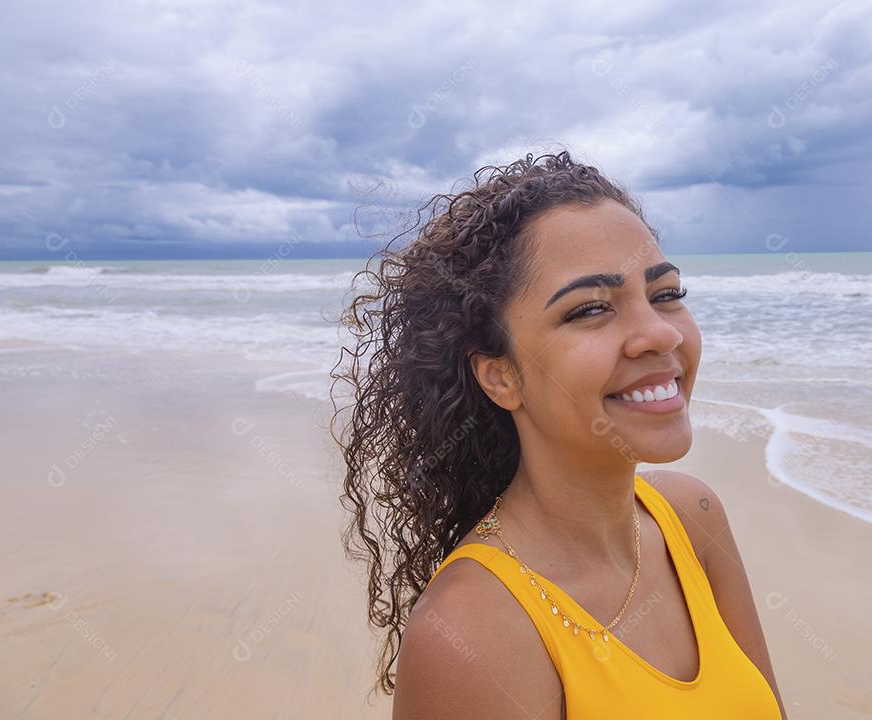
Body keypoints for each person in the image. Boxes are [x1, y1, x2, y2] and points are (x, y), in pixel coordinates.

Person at [333, 149, 786, 719]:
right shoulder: (474, 631)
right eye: (590, 309)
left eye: (666, 294)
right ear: (501, 376)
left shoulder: (691, 518)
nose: (659, 335)